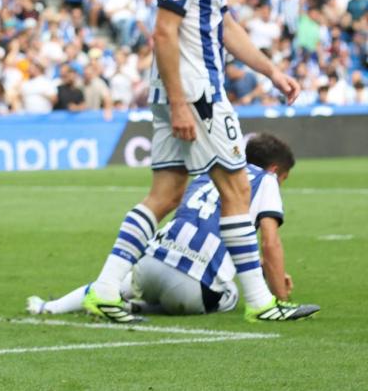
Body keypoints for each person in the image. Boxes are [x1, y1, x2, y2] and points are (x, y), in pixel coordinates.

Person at [82, 0, 318, 323]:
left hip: (183, 91)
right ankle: (261, 303)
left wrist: (271, 70)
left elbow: (224, 28)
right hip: (196, 93)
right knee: (237, 188)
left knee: (167, 193)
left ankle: (106, 289)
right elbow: (163, 32)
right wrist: (178, 102)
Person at [28, 134, 313, 318]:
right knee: (232, 293)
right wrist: (279, 294)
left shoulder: (207, 174)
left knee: (118, 281)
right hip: (189, 291)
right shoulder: (264, 180)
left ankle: (49, 307)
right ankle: (141, 307)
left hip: (149, 266)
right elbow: (270, 242)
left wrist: (262, 268)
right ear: (275, 171)